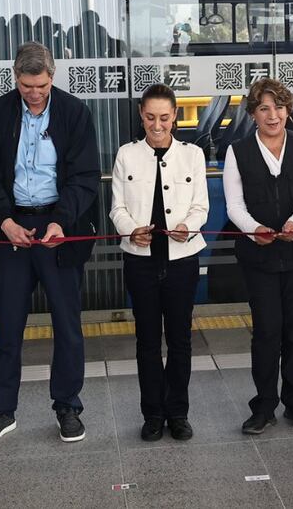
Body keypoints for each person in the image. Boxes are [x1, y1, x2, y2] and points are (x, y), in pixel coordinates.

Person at [0, 41, 100, 447]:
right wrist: (5, 221)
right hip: (14, 229)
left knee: (67, 324)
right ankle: (2, 411)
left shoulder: (74, 112)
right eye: (26, 85)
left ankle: (67, 406)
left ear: (53, 75)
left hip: (58, 230)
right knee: (8, 325)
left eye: (41, 85)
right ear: (15, 77)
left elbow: (85, 176)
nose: (34, 93)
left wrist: (62, 221)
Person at [224, 77, 293, 434]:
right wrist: (254, 230)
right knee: (266, 330)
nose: (272, 115)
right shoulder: (237, 151)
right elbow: (234, 205)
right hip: (259, 255)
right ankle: (264, 405)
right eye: (264, 108)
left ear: (288, 111)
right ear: (252, 114)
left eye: (279, 107)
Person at [110, 84, 209, 442]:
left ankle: (178, 413)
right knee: (147, 341)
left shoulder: (192, 155)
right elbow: (117, 207)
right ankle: (152, 414)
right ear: (141, 114)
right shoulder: (126, 155)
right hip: (140, 262)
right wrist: (130, 230)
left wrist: (189, 226)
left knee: (181, 340)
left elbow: (201, 206)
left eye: (164, 118)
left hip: (182, 259)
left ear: (175, 117)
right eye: (150, 117)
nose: (157, 125)